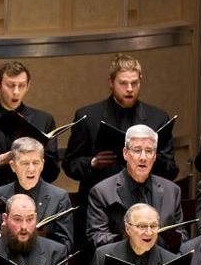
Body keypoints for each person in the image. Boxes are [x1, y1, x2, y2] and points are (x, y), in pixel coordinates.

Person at [62, 54, 179, 218]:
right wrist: (92, 162)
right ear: (111, 83)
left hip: (146, 207)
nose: (130, 88)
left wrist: (149, 157)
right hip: (102, 209)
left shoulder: (158, 118)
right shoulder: (88, 117)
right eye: (123, 83)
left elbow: (171, 170)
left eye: (134, 83)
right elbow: (69, 164)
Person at [0, 61, 61, 209]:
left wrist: (37, 155)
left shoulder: (44, 120)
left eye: (21, 85)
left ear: (28, 86)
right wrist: (0, 160)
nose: (16, 92)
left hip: (35, 205)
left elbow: (53, 174)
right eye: (10, 85)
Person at [86, 124, 184, 249]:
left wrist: (173, 239)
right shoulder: (102, 192)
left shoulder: (172, 191)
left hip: (160, 263)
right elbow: (96, 238)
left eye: (149, 151)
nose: (143, 157)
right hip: (122, 264)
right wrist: (128, 238)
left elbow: (182, 235)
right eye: (137, 150)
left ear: (154, 156)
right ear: (125, 153)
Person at [0, 136, 74, 252]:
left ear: (42, 164)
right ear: (13, 166)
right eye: (25, 163)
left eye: (36, 162)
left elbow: (66, 246)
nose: (31, 169)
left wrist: (35, 237)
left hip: (43, 264)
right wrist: (2, 235)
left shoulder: (59, 197)